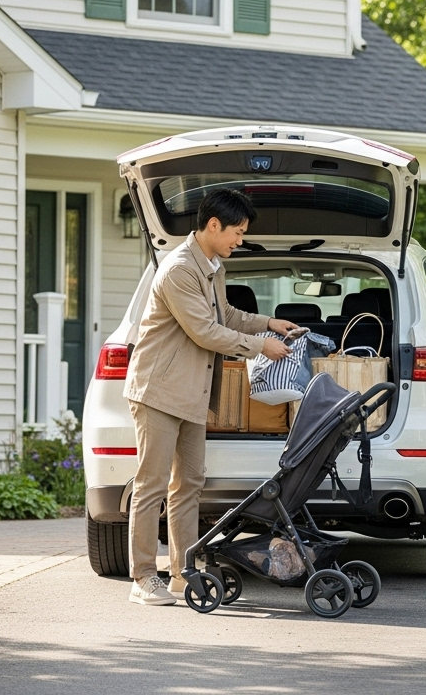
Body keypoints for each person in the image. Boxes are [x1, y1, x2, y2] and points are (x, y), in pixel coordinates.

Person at [122, 189, 298, 606]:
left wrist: (269, 322)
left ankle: (184, 574)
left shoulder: (212, 266)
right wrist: (261, 347)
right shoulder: (180, 270)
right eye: (237, 231)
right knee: (151, 486)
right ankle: (143, 578)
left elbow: (228, 316)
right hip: (159, 392)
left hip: (190, 393)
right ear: (213, 225)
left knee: (188, 485)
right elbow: (206, 331)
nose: (241, 239)